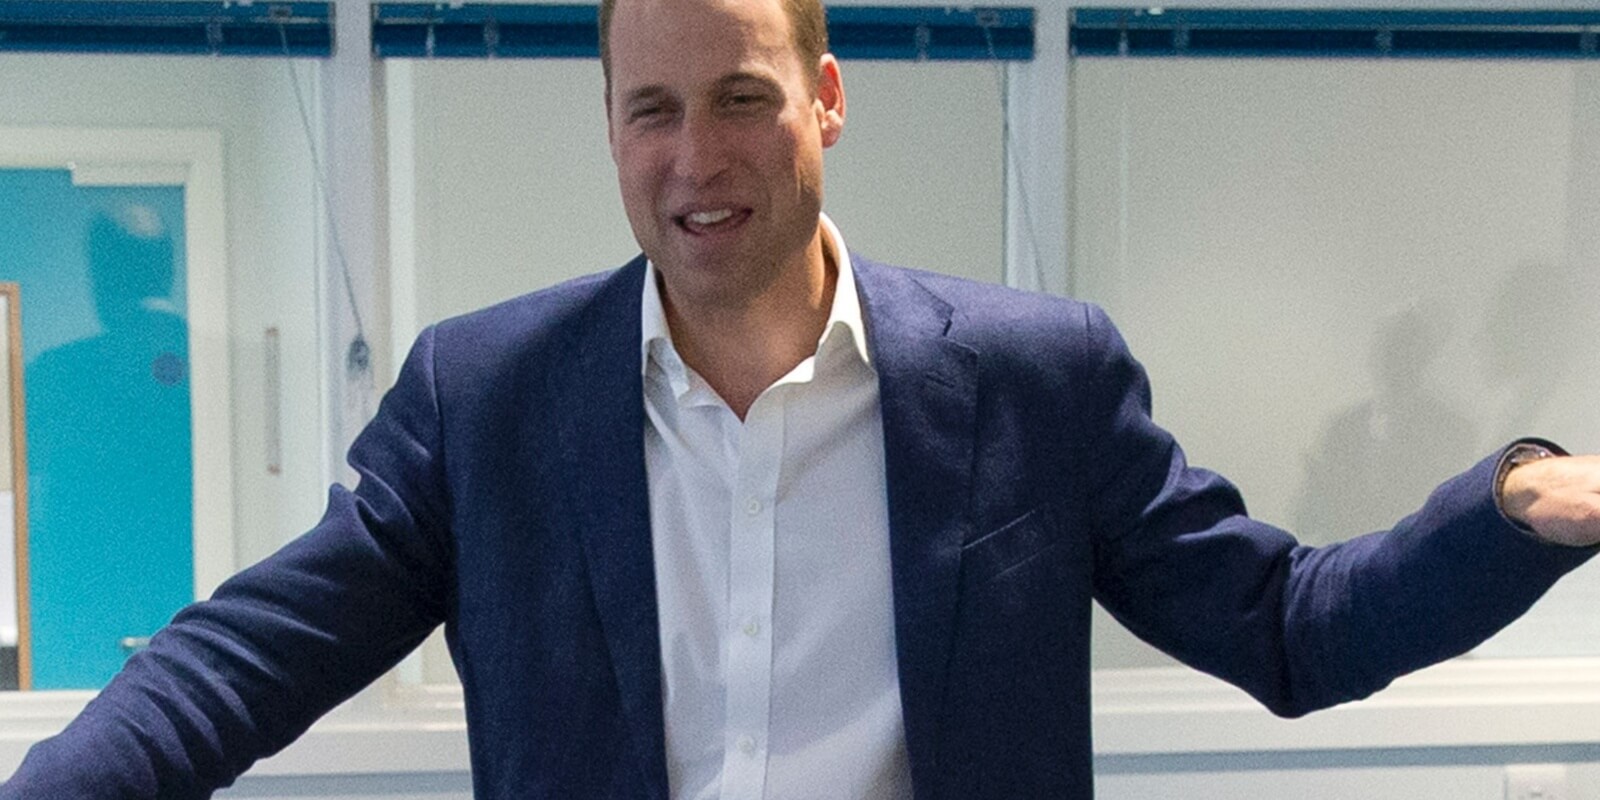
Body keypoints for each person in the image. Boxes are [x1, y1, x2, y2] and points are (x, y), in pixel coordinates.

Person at [6, 0, 1600, 796]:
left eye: (744, 100)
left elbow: (1287, 627)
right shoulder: (486, 399)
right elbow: (239, 662)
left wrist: (1524, 505)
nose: (696, 158)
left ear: (828, 100)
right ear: (611, 130)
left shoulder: (1034, 382)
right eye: (652, 111)